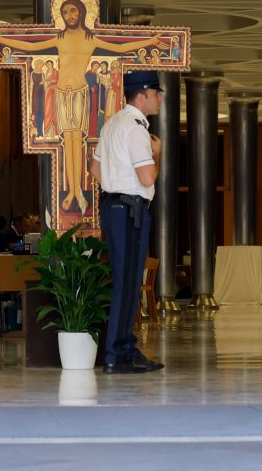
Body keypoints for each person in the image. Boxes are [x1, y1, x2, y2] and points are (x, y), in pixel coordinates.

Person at [0, 0, 164, 215]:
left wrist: (150, 41)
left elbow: (120, 48)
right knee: (67, 142)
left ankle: (77, 192)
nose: (69, 14)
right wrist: (3, 39)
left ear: (81, 12)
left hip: (81, 93)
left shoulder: (89, 39)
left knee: (77, 142)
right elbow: (31, 47)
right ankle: (73, 191)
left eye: (72, 10)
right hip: (61, 93)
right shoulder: (59, 38)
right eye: (65, 11)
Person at [90, 70, 165, 374]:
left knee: (126, 281)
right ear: (142, 95)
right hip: (130, 209)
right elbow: (147, 177)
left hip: (113, 207)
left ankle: (122, 349)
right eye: (156, 93)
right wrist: (157, 154)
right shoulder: (136, 130)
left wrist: (114, 184)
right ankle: (117, 354)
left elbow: (94, 169)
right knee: (129, 282)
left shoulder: (112, 124)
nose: (159, 98)